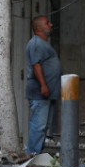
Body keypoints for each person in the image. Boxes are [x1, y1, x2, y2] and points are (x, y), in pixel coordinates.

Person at [25, 15, 61, 155]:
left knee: (44, 125)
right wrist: (44, 85)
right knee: (39, 125)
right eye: (47, 23)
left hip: (48, 93)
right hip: (40, 92)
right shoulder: (36, 43)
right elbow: (36, 64)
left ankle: (37, 154)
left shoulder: (43, 43)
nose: (51, 25)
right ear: (39, 28)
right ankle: (33, 154)